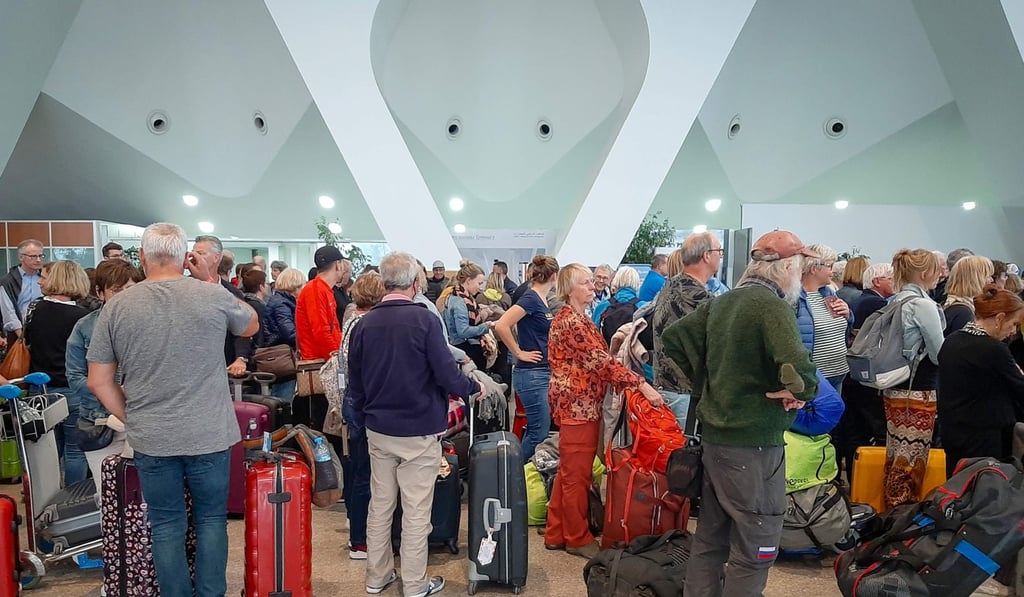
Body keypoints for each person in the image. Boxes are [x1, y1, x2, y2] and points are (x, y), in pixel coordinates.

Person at [87, 222, 258, 597]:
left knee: (166, 524)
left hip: (153, 435)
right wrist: (211, 280)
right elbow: (250, 325)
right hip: (210, 431)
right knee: (212, 520)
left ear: (142, 257)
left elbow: (98, 380)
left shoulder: (116, 307)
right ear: (185, 257)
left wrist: (133, 417)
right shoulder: (211, 296)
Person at [662, 230, 819, 596]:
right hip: (754, 446)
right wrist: (798, 390)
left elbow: (675, 337)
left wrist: (711, 384)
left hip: (717, 441)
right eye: (799, 265)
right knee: (757, 542)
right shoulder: (770, 306)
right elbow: (799, 366)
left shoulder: (724, 302)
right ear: (787, 266)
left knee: (710, 541)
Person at [348, 252, 484, 597]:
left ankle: (376, 578)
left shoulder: (364, 324)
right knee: (416, 510)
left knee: (380, 506)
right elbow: (445, 373)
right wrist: (473, 386)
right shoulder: (423, 320)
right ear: (415, 283)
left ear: (382, 283)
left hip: (379, 429)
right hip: (418, 429)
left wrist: (365, 418)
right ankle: (414, 583)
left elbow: (356, 383)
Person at [544, 263, 664, 560]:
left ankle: (556, 531)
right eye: (586, 282)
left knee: (568, 472)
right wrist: (641, 385)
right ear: (570, 289)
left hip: (577, 405)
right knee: (577, 476)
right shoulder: (572, 321)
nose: (592, 286)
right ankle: (576, 537)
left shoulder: (575, 317)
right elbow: (602, 363)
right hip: (578, 407)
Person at [65, 259, 144, 492]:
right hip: (98, 423)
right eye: (117, 290)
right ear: (100, 292)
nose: (125, 296)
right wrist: (110, 391)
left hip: (143, 420)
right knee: (107, 496)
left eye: (131, 289)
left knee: (142, 497)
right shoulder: (85, 327)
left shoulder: (150, 323)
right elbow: (74, 376)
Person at [882, 249, 945, 510]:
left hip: (894, 386)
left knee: (896, 452)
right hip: (918, 390)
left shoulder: (894, 301)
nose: (941, 274)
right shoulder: (923, 305)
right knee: (913, 455)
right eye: (937, 269)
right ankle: (903, 512)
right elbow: (939, 353)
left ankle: (891, 510)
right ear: (925, 273)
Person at [938, 286, 1024, 477]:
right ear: (1000, 318)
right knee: (984, 497)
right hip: (985, 437)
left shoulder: (951, 341)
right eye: (1014, 324)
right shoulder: (993, 350)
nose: (1013, 331)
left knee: (957, 492)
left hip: (953, 434)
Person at [23, 260, 92, 484]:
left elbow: (28, 342)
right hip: (73, 388)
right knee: (75, 451)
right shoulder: (81, 317)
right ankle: (72, 502)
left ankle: (48, 501)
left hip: (39, 388)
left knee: (47, 452)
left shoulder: (34, 309)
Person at [651, 232, 721, 431]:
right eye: (719, 252)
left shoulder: (672, 284)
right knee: (685, 456)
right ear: (707, 255)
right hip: (685, 392)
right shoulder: (697, 296)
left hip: (668, 386)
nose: (720, 257)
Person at [338, 272, 386, 560]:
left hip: (352, 404)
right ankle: (360, 540)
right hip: (363, 407)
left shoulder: (351, 321)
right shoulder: (365, 325)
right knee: (365, 477)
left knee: (358, 471)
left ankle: (355, 528)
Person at [494, 255, 559, 461]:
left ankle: (518, 475)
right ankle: (515, 474)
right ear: (555, 276)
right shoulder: (531, 298)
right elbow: (501, 325)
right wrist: (519, 352)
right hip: (532, 373)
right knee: (539, 431)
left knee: (538, 429)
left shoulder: (539, 299)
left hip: (539, 371)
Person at [295, 246, 346, 432]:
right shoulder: (316, 290)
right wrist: (338, 359)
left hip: (324, 363)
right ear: (338, 264)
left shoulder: (321, 289)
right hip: (320, 367)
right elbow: (321, 331)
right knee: (324, 424)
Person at [796, 244, 851, 392]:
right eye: (829, 266)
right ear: (814, 268)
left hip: (838, 372)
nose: (832, 271)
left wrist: (848, 315)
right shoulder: (795, 299)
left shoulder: (829, 294)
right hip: (815, 376)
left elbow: (844, 326)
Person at [261, 267, 305, 400]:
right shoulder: (282, 304)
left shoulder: (279, 301)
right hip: (282, 356)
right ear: (294, 285)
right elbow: (289, 333)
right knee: (282, 400)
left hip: (278, 353)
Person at [443, 261, 493, 371]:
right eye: (479, 283)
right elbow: (463, 331)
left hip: (460, 345)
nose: (480, 288)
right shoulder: (461, 302)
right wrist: (485, 326)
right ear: (469, 280)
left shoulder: (456, 297)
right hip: (465, 348)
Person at [0, 239, 45, 331]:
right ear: (21, 257)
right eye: (33, 256)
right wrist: (21, 337)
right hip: (19, 331)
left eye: (40, 256)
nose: (38, 260)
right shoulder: (8, 281)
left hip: (44, 330)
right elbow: (8, 312)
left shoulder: (47, 278)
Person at [942, 255, 994, 336]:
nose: (991, 280)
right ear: (975, 278)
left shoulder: (953, 305)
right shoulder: (964, 313)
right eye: (988, 276)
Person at [851, 262, 894, 332]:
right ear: (877, 282)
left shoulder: (858, 300)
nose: (896, 282)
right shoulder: (877, 303)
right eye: (891, 279)